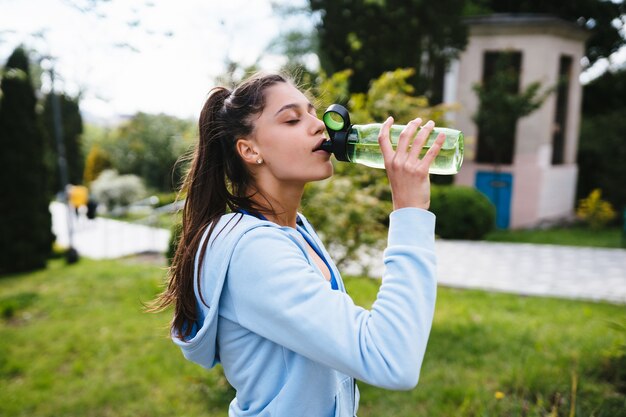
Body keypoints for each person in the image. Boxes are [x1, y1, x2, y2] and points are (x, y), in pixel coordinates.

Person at [153, 72, 445, 417]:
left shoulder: (293, 228)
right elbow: (390, 358)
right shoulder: (252, 250)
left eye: (312, 112)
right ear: (249, 150)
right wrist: (410, 213)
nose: (318, 125)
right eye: (292, 119)